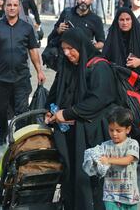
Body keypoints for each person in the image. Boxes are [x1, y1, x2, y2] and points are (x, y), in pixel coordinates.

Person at [45, 28, 118, 210]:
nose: (67, 53)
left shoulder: (99, 67)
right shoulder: (68, 66)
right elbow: (55, 92)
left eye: (71, 48)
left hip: (91, 135)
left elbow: (98, 100)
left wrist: (67, 113)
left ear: (80, 46)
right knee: (70, 176)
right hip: (69, 134)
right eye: (64, 49)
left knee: (87, 180)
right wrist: (49, 110)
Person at [0, 0, 46, 145]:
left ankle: (18, 138)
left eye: (15, 5)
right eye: (9, 5)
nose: (12, 8)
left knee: (21, 110)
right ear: (4, 7)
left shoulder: (27, 28)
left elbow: (33, 51)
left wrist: (39, 70)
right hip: (1, 78)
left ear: (19, 8)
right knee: (1, 110)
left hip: (21, 77)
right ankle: (3, 132)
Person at [98, 107, 140, 210]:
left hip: (129, 196)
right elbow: (98, 161)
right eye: (111, 130)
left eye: (118, 130)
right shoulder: (105, 146)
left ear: (128, 129)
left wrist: (108, 160)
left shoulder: (132, 144)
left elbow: (127, 160)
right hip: (110, 195)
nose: (114, 134)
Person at [103, 8, 140, 76]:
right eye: (121, 20)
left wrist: (139, 61)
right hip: (116, 80)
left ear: (132, 20)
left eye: (127, 19)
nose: (125, 23)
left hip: (138, 81)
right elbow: (104, 59)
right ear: (117, 21)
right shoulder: (112, 38)